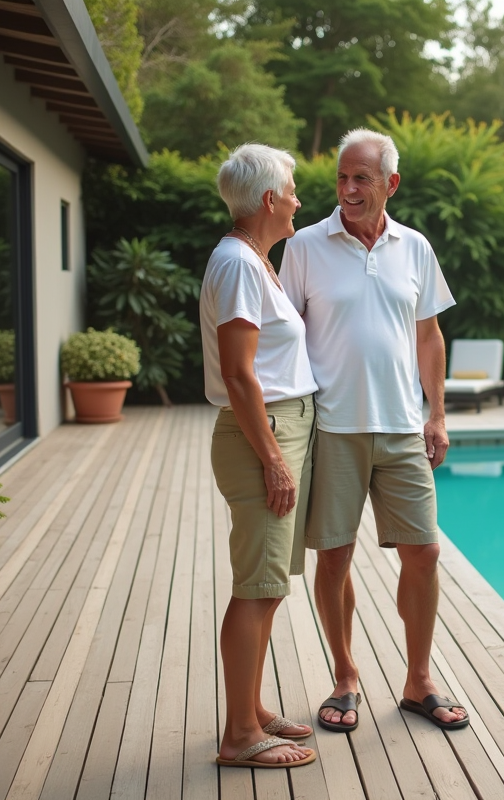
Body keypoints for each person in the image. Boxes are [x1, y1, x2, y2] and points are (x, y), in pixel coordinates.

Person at [280, 128, 469, 732]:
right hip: (332, 427)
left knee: (426, 551)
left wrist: (436, 413)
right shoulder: (305, 246)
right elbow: (282, 335)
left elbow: (428, 335)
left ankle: (418, 681)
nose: (349, 188)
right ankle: (345, 676)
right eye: (342, 177)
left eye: (362, 177)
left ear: (391, 183)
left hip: (402, 428)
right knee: (333, 559)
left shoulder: (415, 248)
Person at [203, 143, 319, 768]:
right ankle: (241, 736)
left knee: (265, 587)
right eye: (294, 190)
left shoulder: (250, 259)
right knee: (258, 587)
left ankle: (250, 709)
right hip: (263, 435)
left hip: (272, 430)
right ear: (269, 200)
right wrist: (273, 458)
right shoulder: (241, 266)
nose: (300, 200)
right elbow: (240, 375)